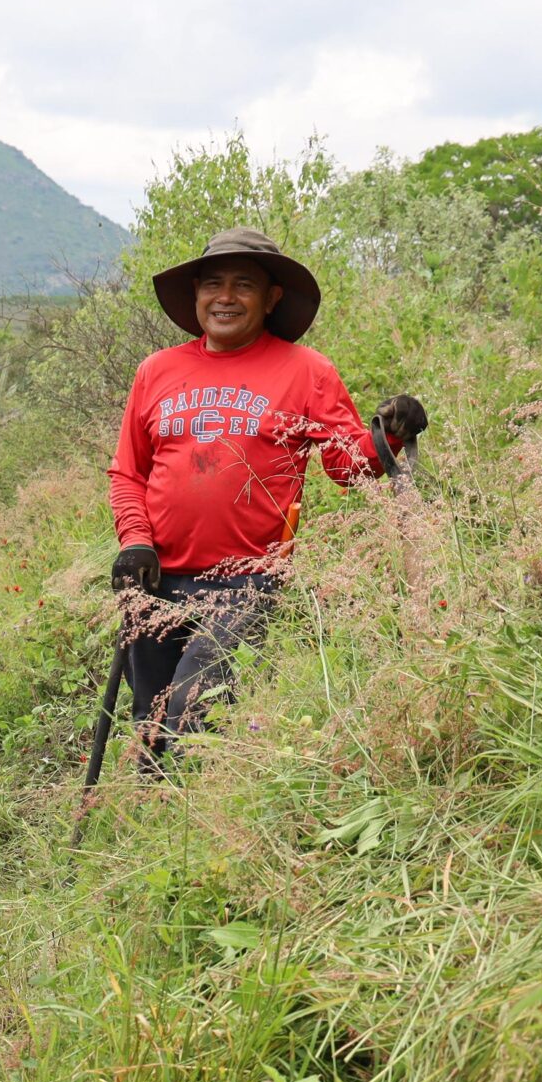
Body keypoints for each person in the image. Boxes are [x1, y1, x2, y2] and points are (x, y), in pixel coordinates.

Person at [106, 227, 429, 760]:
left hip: (247, 582)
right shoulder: (156, 371)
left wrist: (390, 435)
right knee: (151, 723)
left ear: (272, 297)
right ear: (196, 294)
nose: (225, 297)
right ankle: (154, 804)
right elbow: (128, 473)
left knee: (192, 712)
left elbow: (346, 466)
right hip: (156, 575)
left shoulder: (306, 371)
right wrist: (135, 542)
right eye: (213, 284)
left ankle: (201, 804)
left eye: (244, 285)